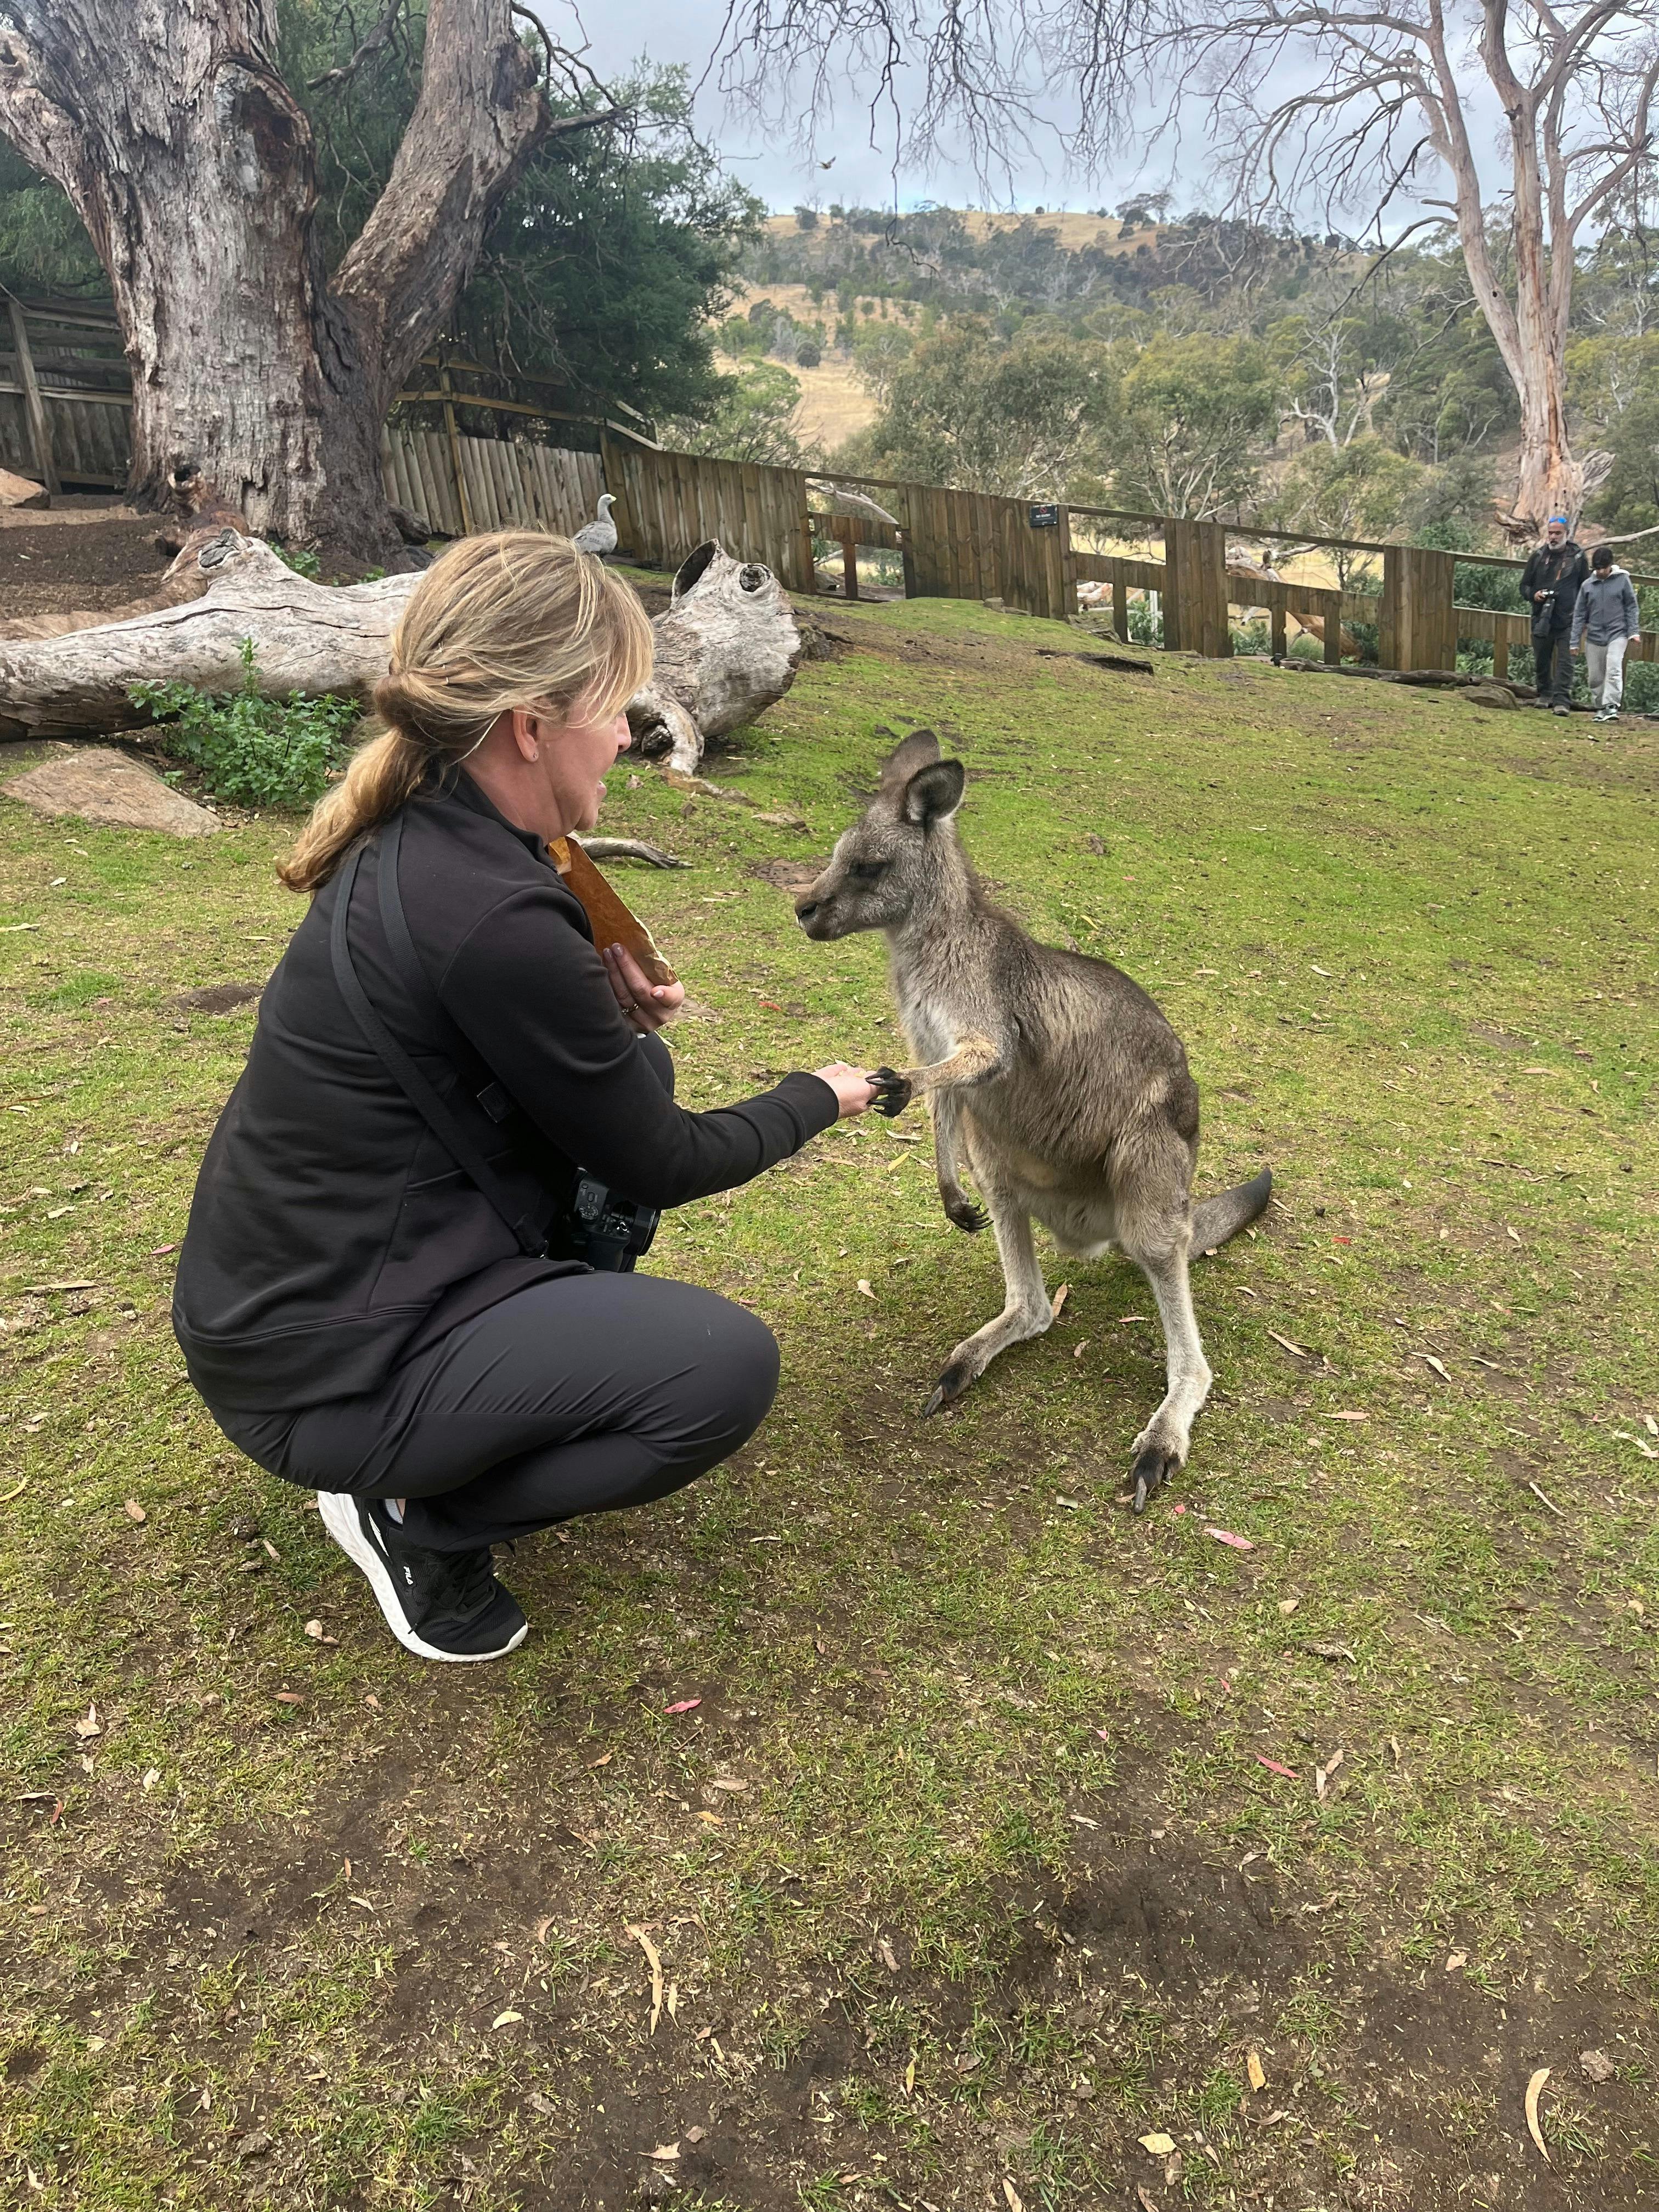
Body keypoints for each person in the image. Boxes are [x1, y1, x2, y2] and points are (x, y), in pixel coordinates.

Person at [173, 532, 881, 1663]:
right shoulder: (495, 912)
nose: (628, 731)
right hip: (320, 1368)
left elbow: (590, 1071)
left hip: (297, 1303)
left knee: (635, 1085)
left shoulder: (443, 830)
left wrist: (604, 1003)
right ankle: (416, 1516)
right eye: (613, 704)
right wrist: (820, 1095)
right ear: (530, 723)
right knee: (715, 1371)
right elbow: (663, 1161)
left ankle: (437, 1447)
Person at [1519, 515, 1589, 715]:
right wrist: (1534, 595)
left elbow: (1586, 589)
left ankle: (1562, 702)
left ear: (1567, 534)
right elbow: (1524, 586)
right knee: (1542, 658)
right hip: (1542, 617)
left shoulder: (1578, 557)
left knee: (1566, 662)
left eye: (1558, 533)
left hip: (1569, 618)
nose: (1553, 537)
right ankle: (1544, 695)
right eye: (1550, 533)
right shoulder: (1538, 556)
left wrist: (1585, 618)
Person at [1570, 543, 1641, 723]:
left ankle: (1612, 706)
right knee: (1595, 676)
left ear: (1611, 565)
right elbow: (1579, 614)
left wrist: (1633, 631)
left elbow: (1631, 607)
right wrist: (1574, 642)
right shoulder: (1588, 585)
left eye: (1604, 568)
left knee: (1614, 668)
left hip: (1618, 632)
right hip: (1594, 636)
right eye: (1597, 569)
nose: (1601, 572)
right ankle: (1600, 706)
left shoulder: (1623, 580)